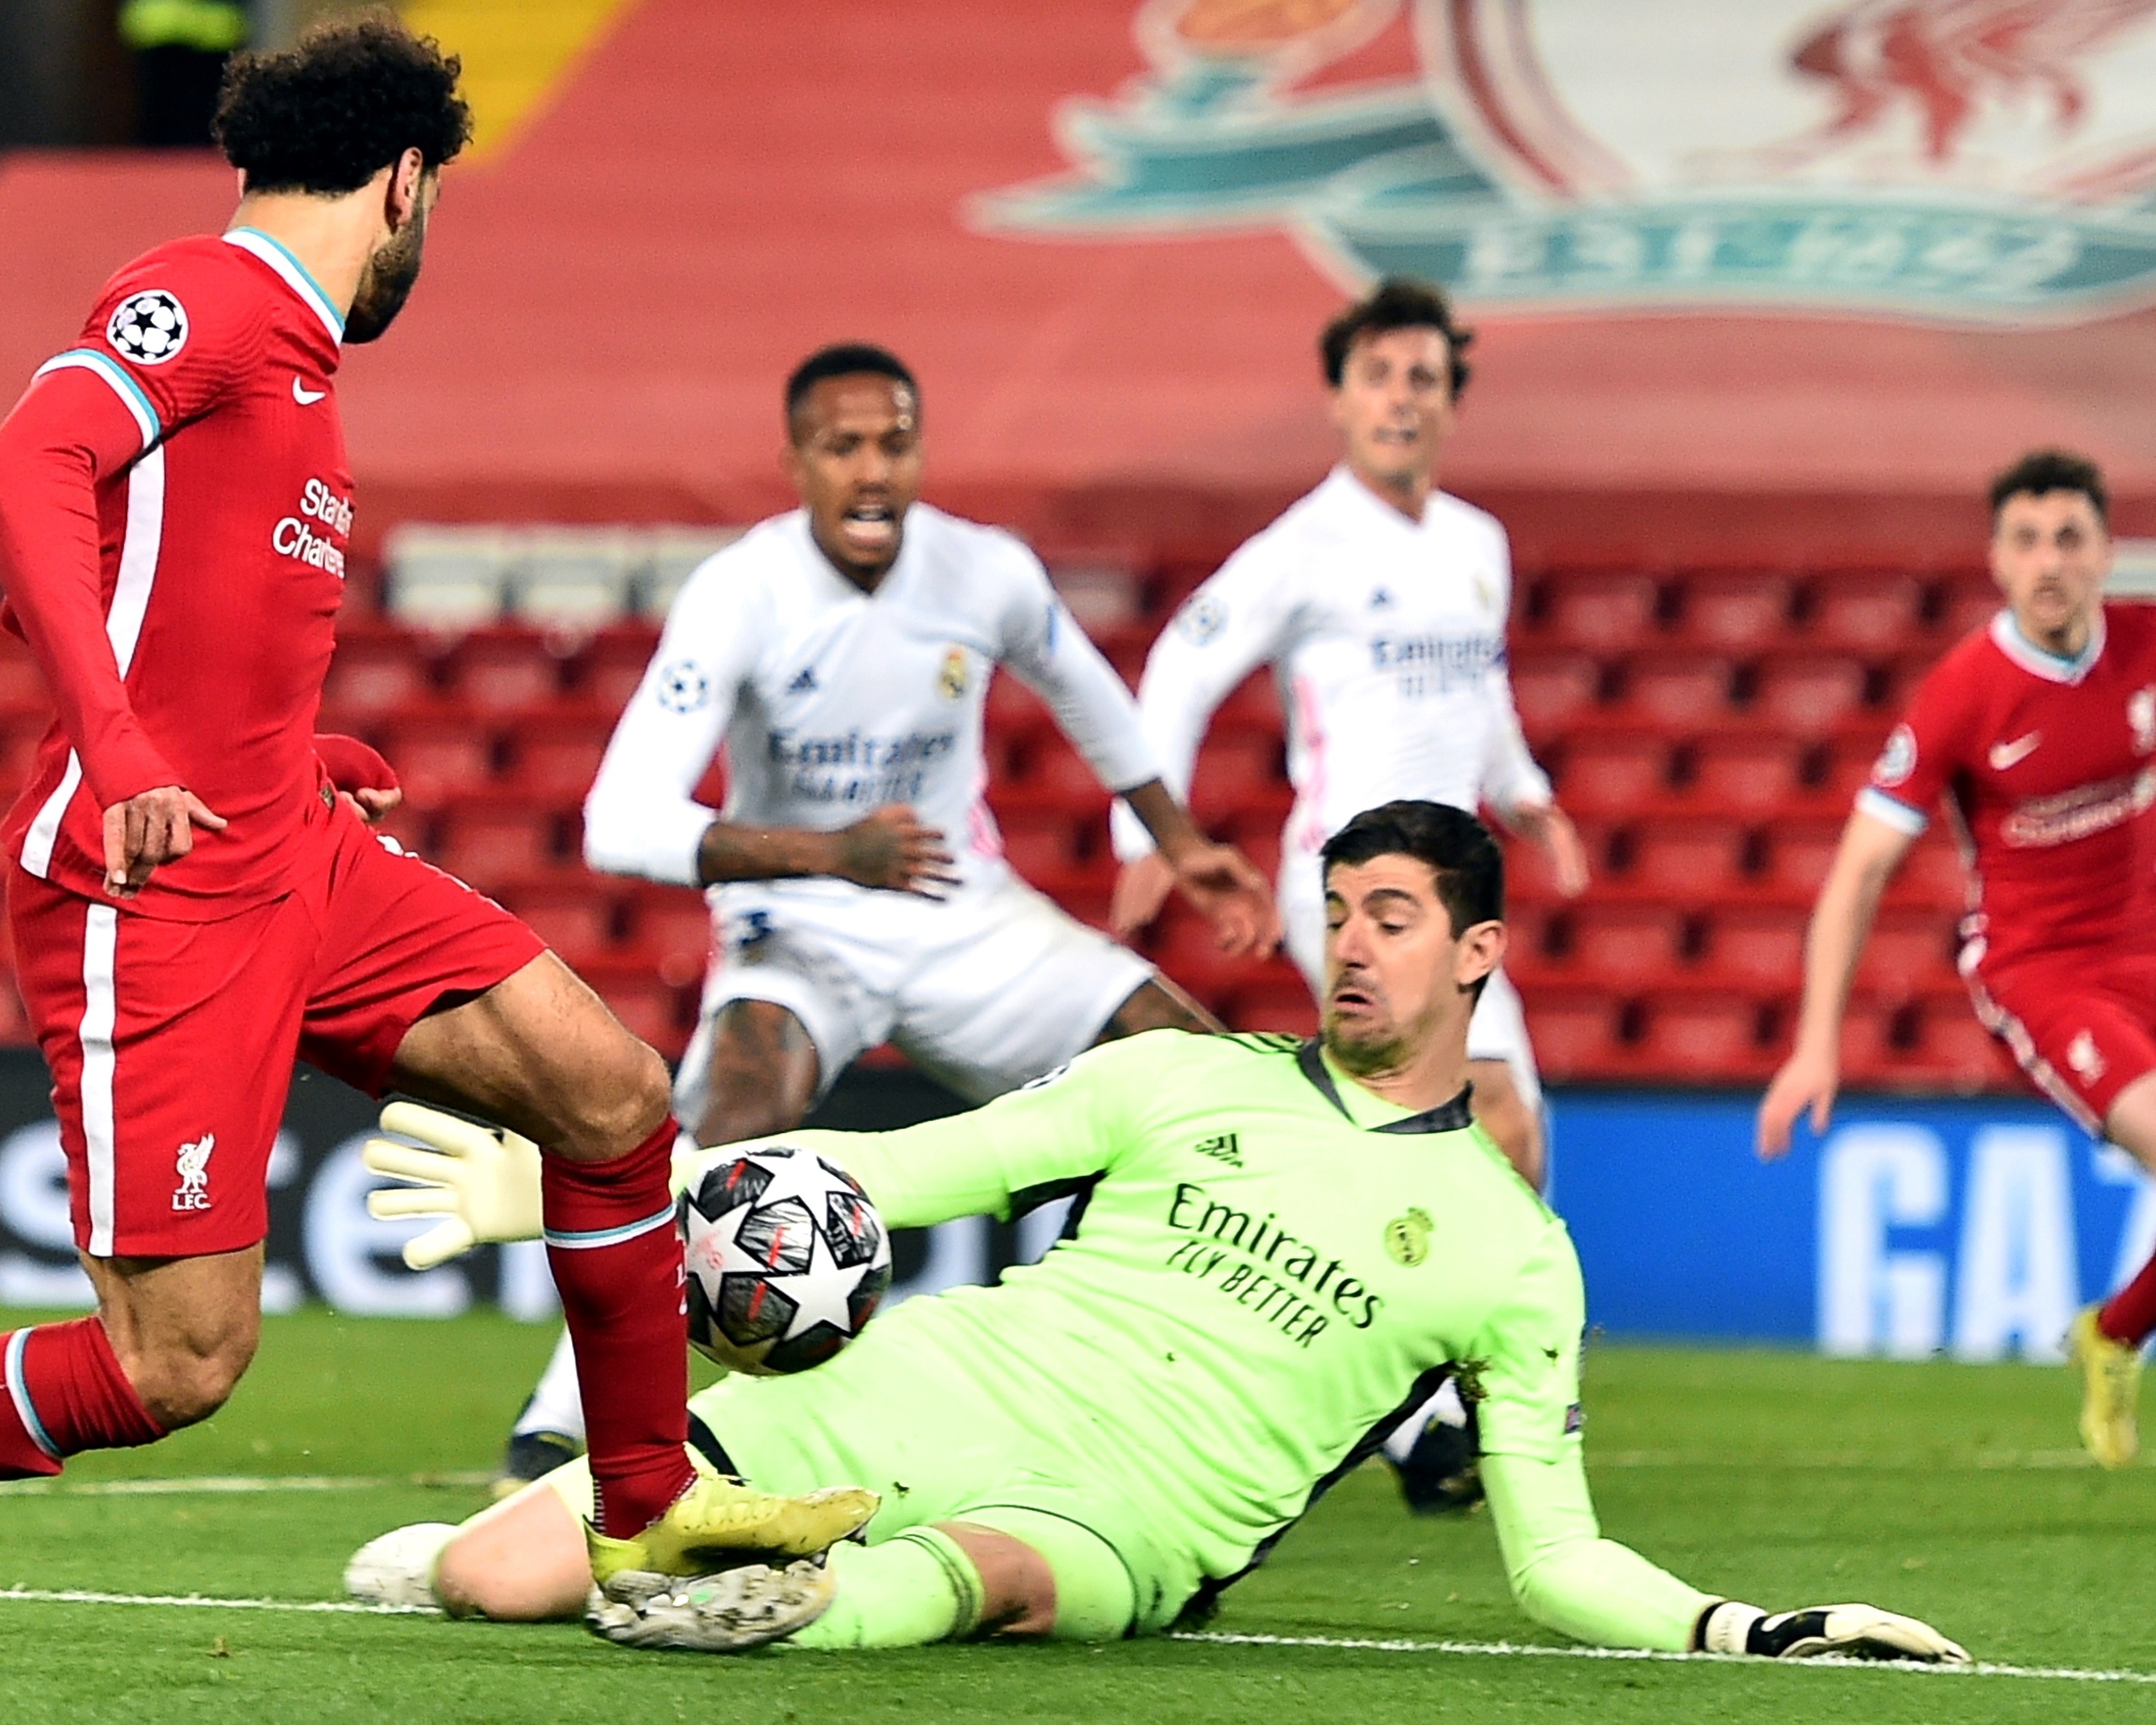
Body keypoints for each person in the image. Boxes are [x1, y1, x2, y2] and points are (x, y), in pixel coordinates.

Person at [0, 18, 867, 1656]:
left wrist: (276, 744)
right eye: (432, 206)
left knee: (609, 1095)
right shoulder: (218, 305)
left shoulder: (291, 362)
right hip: (153, 891)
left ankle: (642, 1505)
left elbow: (85, 579)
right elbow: (26, 468)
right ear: (401, 185)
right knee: (177, 1364)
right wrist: (120, 752)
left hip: (292, 850)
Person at [346, 802, 1967, 1665]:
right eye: (1334, 910)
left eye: (1390, 918)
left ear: (1477, 949)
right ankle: (710, 1553)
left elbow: (1555, 1560)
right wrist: (579, 1189)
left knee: (972, 1582)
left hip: (1130, 1502)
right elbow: (901, 1166)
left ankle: (798, 1594)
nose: (1349, 945)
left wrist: (1749, 1625)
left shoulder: (1516, 1249)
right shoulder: (1183, 1073)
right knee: (495, 1579)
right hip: (931, 1382)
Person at [486, 341, 1281, 1494]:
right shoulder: (742, 591)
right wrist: (831, 854)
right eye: (842, 445)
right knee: (728, 1120)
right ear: (796, 461)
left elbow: (1085, 687)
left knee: (1205, 1077)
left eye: (893, 442)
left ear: (919, 451)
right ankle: (558, 1424)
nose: (872, 469)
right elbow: (618, 819)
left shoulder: (983, 571)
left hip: (962, 911)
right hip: (797, 926)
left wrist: (1176, 837)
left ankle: (1250, 1399)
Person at [1109, 278, 1586, 1193]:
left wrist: (1526, 795)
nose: (1401, 396)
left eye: (1422, 377)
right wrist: (1150, 837)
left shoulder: (1477, 543)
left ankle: (1462, 1332)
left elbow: (1480, 690)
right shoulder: (1302, 549)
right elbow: (1181, 667)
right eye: (1378, 375)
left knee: (1507, 1139)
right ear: (1340, 399)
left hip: (1452, 887)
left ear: (1451, 402)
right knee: (1485, 1109)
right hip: (1349, 875)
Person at [1760, 448, 2156, 1470]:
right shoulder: (1964, 695)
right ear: (1996, 559)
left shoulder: (2145, 639)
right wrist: (1815, 1048)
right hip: (2044, 967)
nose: (2050, 563)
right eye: (2027, 541)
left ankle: (2112, 1335)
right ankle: (2114, 1337)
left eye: (2070, 538)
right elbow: (1855, 878)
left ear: (2107, 551)